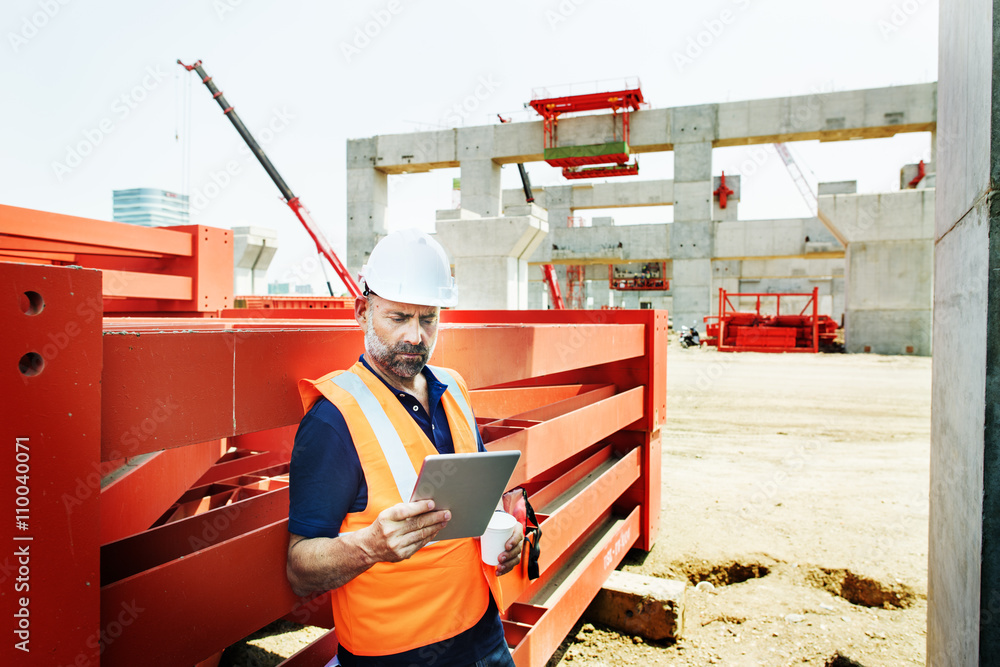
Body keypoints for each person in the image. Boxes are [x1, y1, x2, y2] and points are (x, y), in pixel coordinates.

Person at [286, 229, 522, 667]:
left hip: (484, 634)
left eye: (429, 318)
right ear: (362, 311)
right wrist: (368, 547)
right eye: (398, 318)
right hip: (394, 654)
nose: (416, 336)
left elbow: (481, 496)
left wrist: (508, 532)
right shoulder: (332, 419)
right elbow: (300, 570)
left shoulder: (453, 387)